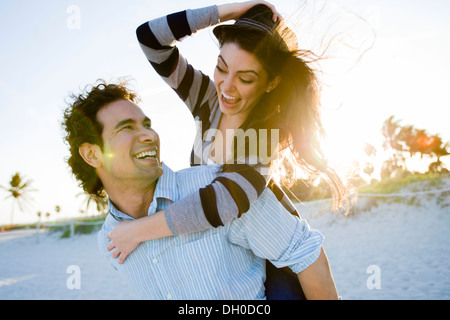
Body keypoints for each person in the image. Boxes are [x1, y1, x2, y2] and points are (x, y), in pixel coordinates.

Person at [107, 1, 347, 299]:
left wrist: (138, 231)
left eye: (245, 78)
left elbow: (222, 202)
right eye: (221, 68)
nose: (227, 87)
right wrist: (231, 12)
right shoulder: (207, 101)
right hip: (229, 252)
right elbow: (150, 39)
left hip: (276, 265)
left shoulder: (263, 135)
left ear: (271, 83)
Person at [61, 80, 339, 299]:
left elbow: (305, 253)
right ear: (92, 155)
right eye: (126, 128)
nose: (148, 134)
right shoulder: (108, 241)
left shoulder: (223, 188)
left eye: (146, 124)